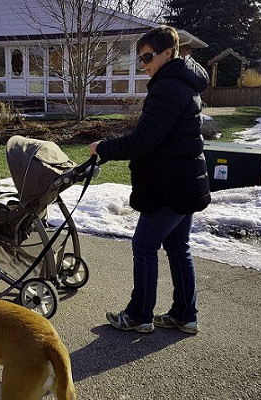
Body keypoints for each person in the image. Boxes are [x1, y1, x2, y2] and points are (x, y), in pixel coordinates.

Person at [89, 25, 210, 334]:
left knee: (144, 246)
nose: (143, 64)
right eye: (140, 59)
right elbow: (158, 137)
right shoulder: (182, 83)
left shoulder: (168, 87)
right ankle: (184, 314)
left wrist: (103, 147)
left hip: (168, 186)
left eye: (148, 57)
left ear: (168, 53)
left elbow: (144, 140)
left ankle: (139, 315)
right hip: (184, 181)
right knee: (177, 245)